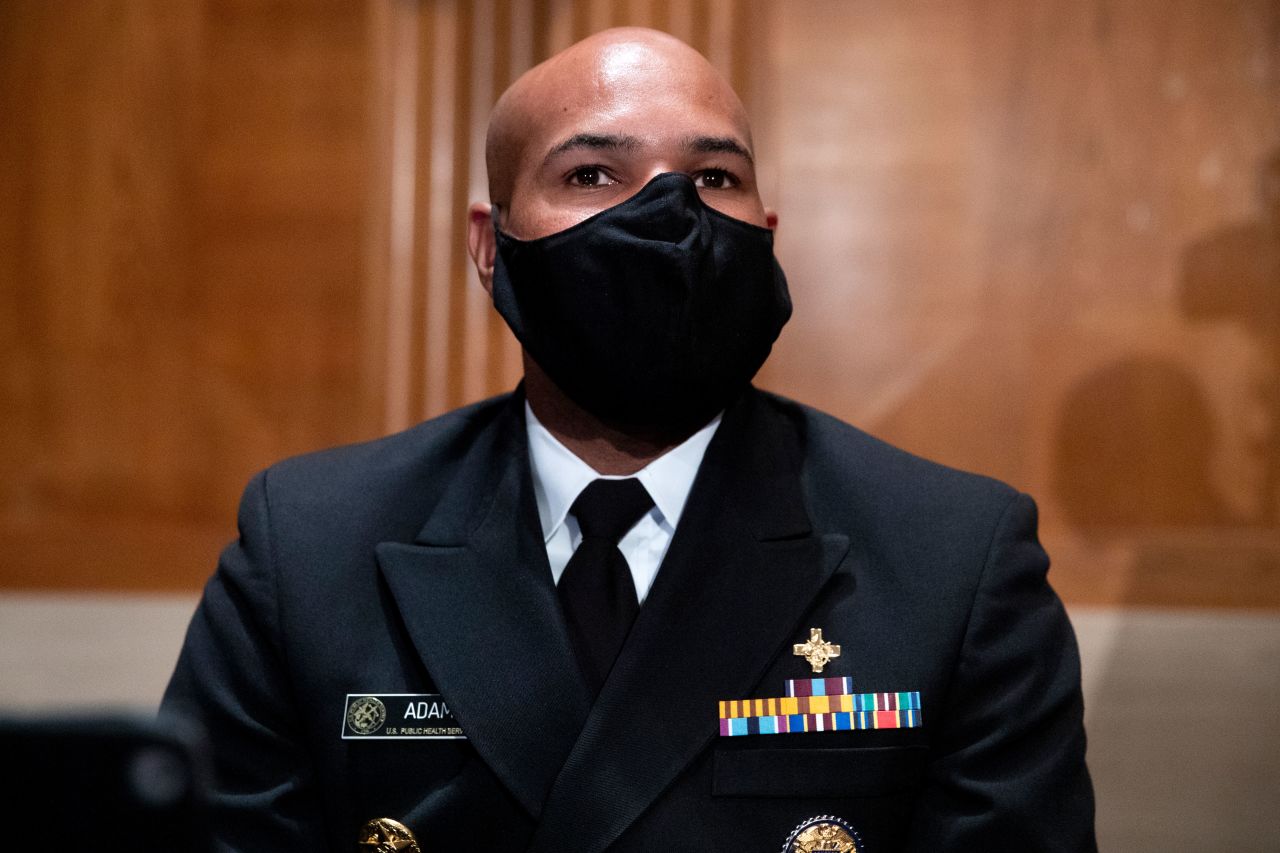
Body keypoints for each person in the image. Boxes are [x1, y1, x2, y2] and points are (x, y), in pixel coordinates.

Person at [162, 27, 1096, 852]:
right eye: (592, 174)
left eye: (713, 179)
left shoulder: (956, 561)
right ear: (492, 247)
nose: (670, 220)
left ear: (765, 234)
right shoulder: (309, 549)